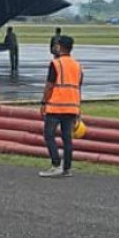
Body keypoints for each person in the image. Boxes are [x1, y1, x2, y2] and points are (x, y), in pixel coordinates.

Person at [39, 35, 83, 178]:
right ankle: (67, 168)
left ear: (59, 46)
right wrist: (78, 109)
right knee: (67, 138)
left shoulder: (56, 64)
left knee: (49, 135)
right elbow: (78, 87)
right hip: (72, 107)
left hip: (56, 106)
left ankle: (56, 164)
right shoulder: (77, 65)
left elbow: (49, 86)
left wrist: (44, 102)